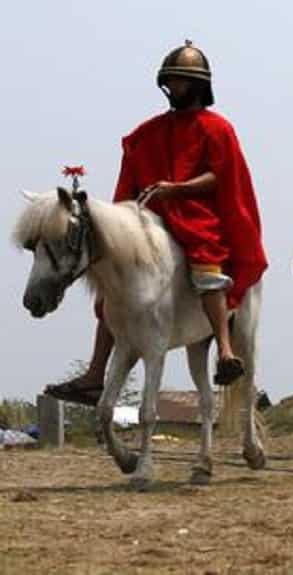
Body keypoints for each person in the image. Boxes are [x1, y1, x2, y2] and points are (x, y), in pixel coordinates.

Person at [45, 41, 267, 403]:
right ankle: (95, 374)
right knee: (112, 286)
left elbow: (220, 177)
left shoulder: (217, 129)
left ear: (196, 86)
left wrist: (176, 189)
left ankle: (226, 351)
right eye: (171, 81)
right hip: (150, 218)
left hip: (198, 215)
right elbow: (129, 182)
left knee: (206, 258)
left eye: (180, 81)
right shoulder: (147, 132)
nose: (173, 88)